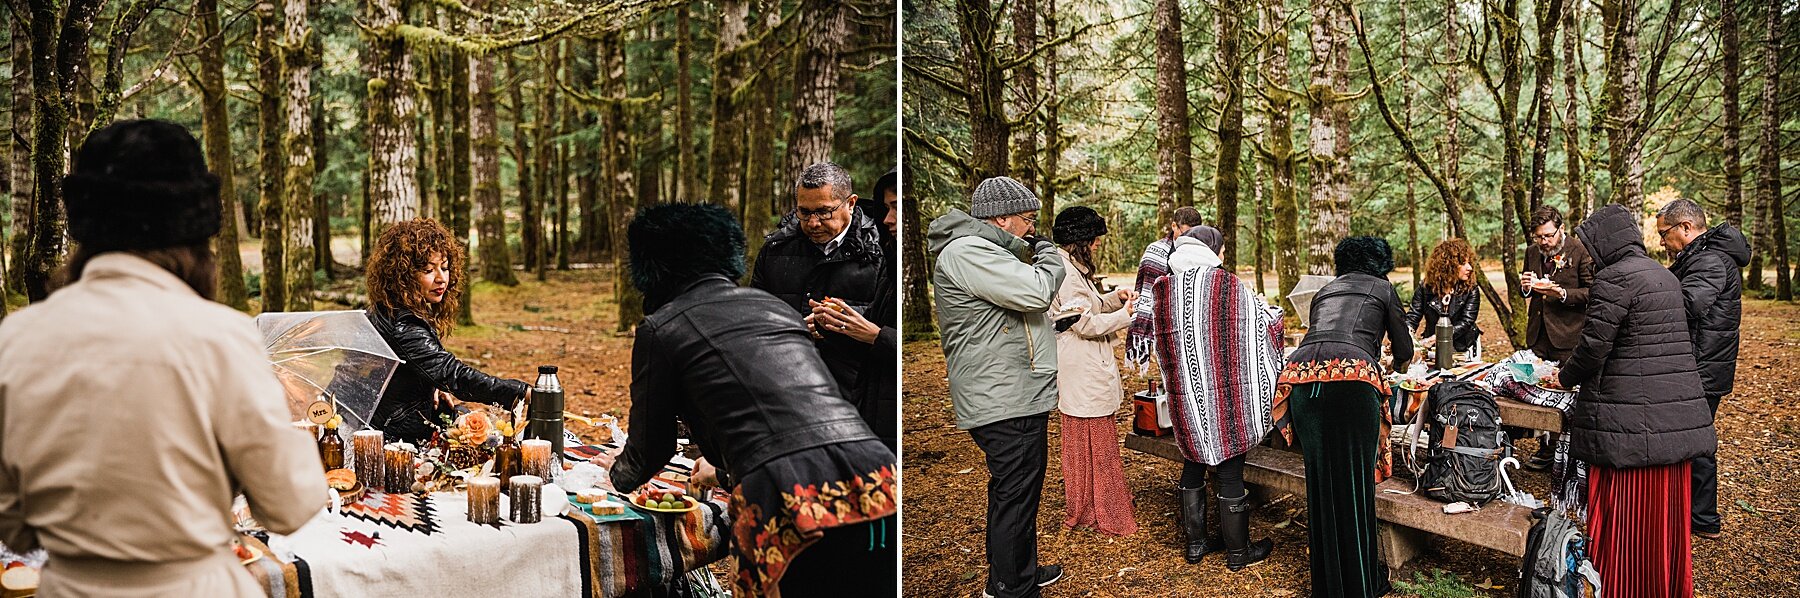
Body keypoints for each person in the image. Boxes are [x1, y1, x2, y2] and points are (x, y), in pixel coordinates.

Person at [0, 120, 328, 596]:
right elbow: (290, 504)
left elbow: (13, 523)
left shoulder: (17, 339)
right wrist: (294, 433)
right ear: (194, 234)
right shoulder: (221, 337)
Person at [611, 203, 897, 597]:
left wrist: (615, 475)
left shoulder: (661, 328)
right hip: (878, 477)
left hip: (785, 496)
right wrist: (724, 467)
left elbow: (651, 448)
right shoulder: (775, 309)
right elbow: (793, 416)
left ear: (652, 270)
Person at [1556, 204, 1714, 597]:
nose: (1590, 255)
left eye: (1592, 246)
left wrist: (1562, 376)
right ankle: (1664, 584)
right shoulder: (1664, 276)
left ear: (1606, 242)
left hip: (1628, 421)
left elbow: (1593, 347)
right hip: (1672, 416)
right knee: (1662, 517)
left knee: (1627, 511)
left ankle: (1621, 584)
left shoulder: (1614, 279)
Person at [927, 176, 1066, 598]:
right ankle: (1011, 588)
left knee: (1015, 492)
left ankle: (1014, 573)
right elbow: (1036, 292)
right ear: (1001, 218)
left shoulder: (981, 250)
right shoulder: (968, 251)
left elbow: (1007, 318)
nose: (1030, 228)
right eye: (1026, 219)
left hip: (1011, 392)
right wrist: (1049, 255)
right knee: (1016, 495)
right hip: (1004, 399)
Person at [1272, 237, 1411, 597]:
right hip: (1352, 382)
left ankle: (1329, 585)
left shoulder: (1325, 291)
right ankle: (1361, 585)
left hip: (1301, 384)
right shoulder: (1382, 287)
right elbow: (1405, 348)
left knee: (1321, 487)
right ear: (1380, 264)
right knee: (1355, 488)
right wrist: (1396, 365)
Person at [1154, 223, 1282, 569]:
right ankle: (1238, 554)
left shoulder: (1163, 287)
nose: (1223, 256)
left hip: (1186, 395)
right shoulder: (1226, 284)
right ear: (1212, 250)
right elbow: (1257, 327)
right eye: (1222, 249)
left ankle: (1196, 545)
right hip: (1226, 394)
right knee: (1229, 469)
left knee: (1192, 462)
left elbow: (1162, 341)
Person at [366, 219, 529, 446]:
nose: (441, 278)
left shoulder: (389, 309)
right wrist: (520, 392)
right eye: (428, 270)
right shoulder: (403, 325)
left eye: (444, 267)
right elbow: (453, 374)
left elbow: (409, 371)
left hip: (399, 423)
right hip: (395, 439)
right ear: (402, 274)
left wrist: (428, 387)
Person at [1655, 198, 1750, 541]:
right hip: (1698, 364)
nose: (1662, 241)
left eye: (1665, 233)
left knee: (1697, 442)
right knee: (1691, 439)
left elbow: (1690, 304)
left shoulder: (1709, 260)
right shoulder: (1698, 256)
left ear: (1685, 228)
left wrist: (1651, 297)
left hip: (1702, 368)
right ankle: (1692, 512)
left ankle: (1704, 518)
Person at [751, 162, 885, 396]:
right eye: (804, 212)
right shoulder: (775, 250)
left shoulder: (880, 251)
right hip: (787, 386)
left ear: (851, 203)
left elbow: (887, 328)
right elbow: (756, 316)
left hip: (855, 390)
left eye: (824, 212)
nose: (813, 223)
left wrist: (842, 321)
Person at [1045, 206, 1138, 537]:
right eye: (1094, 238)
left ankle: (1090, 505)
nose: (1098, 244)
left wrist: (1114, 298)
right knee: (1094, 444)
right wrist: (1127, 315)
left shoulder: (1070, 267)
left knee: (1088, 442)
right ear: (1079, 240)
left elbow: (1088, 306)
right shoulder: (1066, 273)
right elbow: (1083, 323)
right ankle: (1100, 509)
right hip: (1081, 364)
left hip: (1082, 363)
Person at [811, 168, 900, 451]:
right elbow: (872, 330)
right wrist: (835, 325)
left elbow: (883, 338)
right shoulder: (891, 260)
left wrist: (875, 335)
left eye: (896, 207)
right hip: (869, 405)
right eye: (886, 208)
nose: (887, 219)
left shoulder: (880, 256)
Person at [1521, 206, 1594, 470]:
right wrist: (1527, 287)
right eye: (1539, 237)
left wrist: (1562, 293)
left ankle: (1568, 453)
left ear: (1561, 229)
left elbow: (1591, 292)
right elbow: (1526, 290)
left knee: (1566, 393)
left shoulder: (1580, 250)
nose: (1544, 242)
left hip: (1568, 333)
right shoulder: (1532, 252)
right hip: (1539, 333)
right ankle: (1546, 447)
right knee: (1538, 391)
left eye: (1549, 236)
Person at [1123, 206, 1206, 370]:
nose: (1188, 237)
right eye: (1185, 232)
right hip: (1160, 313)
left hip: (1188, 316)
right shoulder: (1155, 250)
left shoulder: (1203, 252)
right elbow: (1146, 288)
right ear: (1174, 226)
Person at [1405, 238, 1483, 361]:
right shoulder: (1426, 287)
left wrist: (1434, 338)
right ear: (1448, 265)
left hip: (1464, 348)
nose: (1469, 268)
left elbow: (1466, 322)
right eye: (1463, 263)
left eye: (1469, 263)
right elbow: (1413, 316)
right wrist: (1405, 337)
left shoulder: (1471, 289)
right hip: (1434, 348)